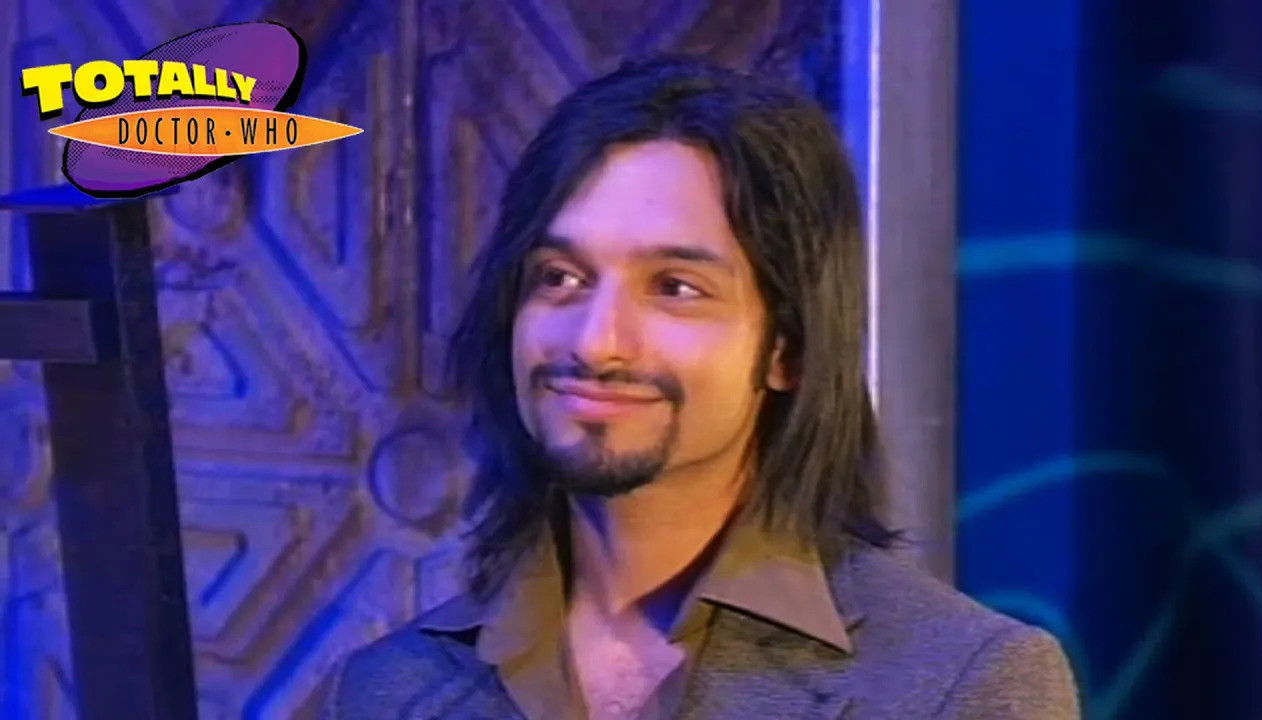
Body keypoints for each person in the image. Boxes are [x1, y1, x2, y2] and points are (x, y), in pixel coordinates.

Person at [327, 56, 1079, 720]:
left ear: (787, 348)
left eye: (675, 288)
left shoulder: (962, 682)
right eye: (561, 277)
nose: (595, 341)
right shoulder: (386, 690)